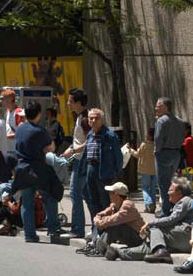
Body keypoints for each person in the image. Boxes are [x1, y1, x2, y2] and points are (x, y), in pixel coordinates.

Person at [12, 100, 66, 244]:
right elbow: (52, 147)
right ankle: (53, 228)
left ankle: (29, 234)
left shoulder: (20, 129)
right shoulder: (40, 131)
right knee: (50, 196)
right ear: (38, 114)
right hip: (38, 169)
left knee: (27, 203)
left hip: (22, 169)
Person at [110, 176, 193, 263]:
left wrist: (150, 224)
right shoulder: (179, 203)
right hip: (182, 239)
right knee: (152, 246)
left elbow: (171, 219)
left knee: (154, 228)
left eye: (171, 190)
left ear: (179, 193)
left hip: (188, 235)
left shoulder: (185, 200)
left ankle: (161, 252)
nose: (167, 193)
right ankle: (119, 253)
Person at [84, 108, 122, 236]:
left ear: (102, 119)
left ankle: (108, 232)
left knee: (105, 202)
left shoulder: (109, 135)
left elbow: (118, 156)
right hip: (91, 169)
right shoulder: (89, 134)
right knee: (93, 201)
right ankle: (96, 229)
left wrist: (116, 174)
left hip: (104, 172)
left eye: (96, 118)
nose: (93, 120)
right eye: (91, 118)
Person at [60, 88, 93, 239]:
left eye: (71, 101)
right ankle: (96, 228)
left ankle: (78, 229)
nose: (68, 103)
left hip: (82, 160)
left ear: (79, 102)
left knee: (75, 193)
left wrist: (73, 150)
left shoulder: (85, 119)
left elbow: (89, 142)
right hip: (81, 159)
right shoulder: (80, 117)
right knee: (87, 194)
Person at [87, 182, 144, 259]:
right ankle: (97, 247)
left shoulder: (127, 206)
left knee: (115, 226)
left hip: (140, 240)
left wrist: (99, 222)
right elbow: (100, 214)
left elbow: (113, 220)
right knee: (111, 224)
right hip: (130, 237)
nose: (109, 195)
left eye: (111, 193)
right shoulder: (114, 205)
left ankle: (100, 249)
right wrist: (98, 219)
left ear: (117, 195)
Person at [154, 97, 185, 216]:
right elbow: (182, 137)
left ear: (166, 107)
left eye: (158, 106)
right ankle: (172, 206)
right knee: (170, 182)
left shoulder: (161, 121)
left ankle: (165, 210)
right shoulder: (180, 121)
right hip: (176, 154)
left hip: (164, 153)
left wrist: (157, 151)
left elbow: (158, 138)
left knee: (163, 183)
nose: (156, 108)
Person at [127, 128, 156, 214]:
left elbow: (137, 155)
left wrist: (130, 149)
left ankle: (149, 202)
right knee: (153, 189)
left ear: (150, 136)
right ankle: (153, 205)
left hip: (145, 170)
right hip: (155, 170)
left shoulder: (144, 145)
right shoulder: (157, 145)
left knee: (145, 188)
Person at [0, 89, 23, 154]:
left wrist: (5, 136)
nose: (1, 101)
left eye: (2, 99)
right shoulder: (7, 112)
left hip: (16, 150)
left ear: (9, 99)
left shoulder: (18, 112)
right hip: (8, 149)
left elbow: (21, 133)